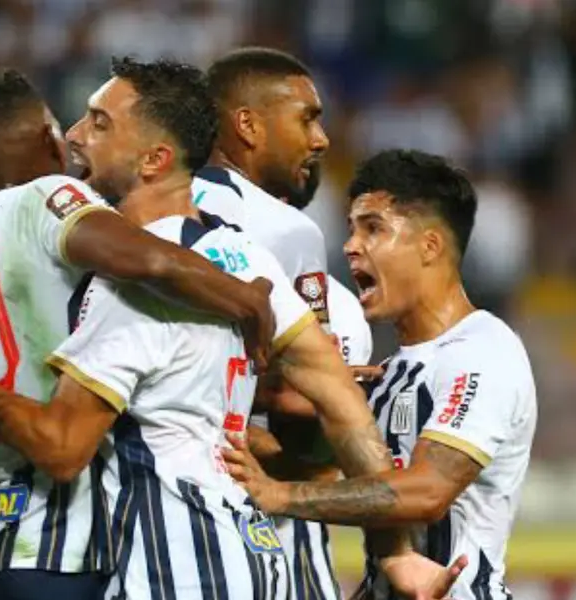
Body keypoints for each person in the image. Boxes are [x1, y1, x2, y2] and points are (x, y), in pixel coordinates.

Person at [0, 58, 459, 600]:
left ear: (154, 160)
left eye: (100, 123)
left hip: (173, 570)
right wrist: (394, 552)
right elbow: (343, 406)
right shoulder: (248, 259)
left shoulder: (127, 293)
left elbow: (62, 449)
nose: (75, 136)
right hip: (257, 562)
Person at [0, 66, 283, 600]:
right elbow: (144, 259)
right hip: (58, 545)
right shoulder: (52, 197)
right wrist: (245, 299)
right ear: (48, 138)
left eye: (94, 123)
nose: (74, 136)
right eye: (67, 125)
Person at [224, 150, 535, 600]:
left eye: (374, 228)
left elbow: (428, 491)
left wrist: (280, 495)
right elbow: (345, 483)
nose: (351, 245)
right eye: (352, 228)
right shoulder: (392, 373)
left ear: (430, 246)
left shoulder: (484, 350)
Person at [200, 46, 376, 599]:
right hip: (264, 533)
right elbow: (310, 402)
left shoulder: (137, 218)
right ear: (247, 124)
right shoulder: (285, 231)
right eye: (308, 118)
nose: (321, 140)